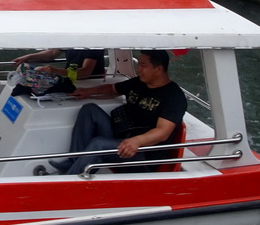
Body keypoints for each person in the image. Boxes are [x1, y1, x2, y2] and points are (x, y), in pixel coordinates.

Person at [49, 50, 186, 176]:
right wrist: (88, 92)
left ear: (159, 69)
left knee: (99, 143)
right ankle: (73, 162)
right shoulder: (140, 82)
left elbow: (163, 132)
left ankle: (69, 180)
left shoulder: (173, 96)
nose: (139, 69)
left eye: (143, 65)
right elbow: (112, 89)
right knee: (89, 109)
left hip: (143, 152)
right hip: (123, 135)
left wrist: (136, 141)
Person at [12, 48, 105, 96]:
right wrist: (28, 57)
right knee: (23, 67)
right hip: (68, 77)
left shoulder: (93, 45)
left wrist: (55, 71)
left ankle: (27, 89)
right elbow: (52, 53)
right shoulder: (71, 40)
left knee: (38, 71)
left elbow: (86, 72)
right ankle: (25, 89)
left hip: (86, 81)